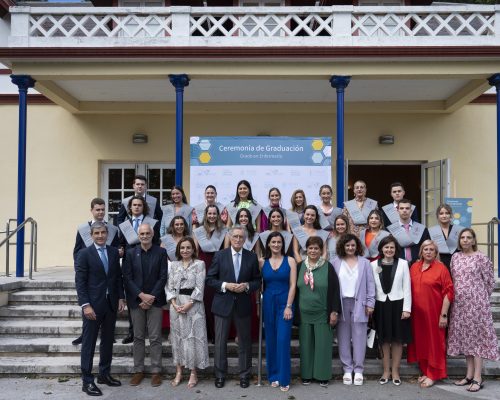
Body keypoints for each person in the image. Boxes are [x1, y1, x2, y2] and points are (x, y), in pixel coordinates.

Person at [205, 225, 261, 389]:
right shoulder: (220, 255)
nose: (238, 240)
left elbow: (257, 281)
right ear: (229, 237)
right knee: (220, 342)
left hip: (243, 304)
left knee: (244, 342)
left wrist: (247, 286)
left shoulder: (251, 257)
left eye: (241, 237)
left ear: (245, 239)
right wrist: (225, 285)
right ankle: (220, 375)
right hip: (223, 304)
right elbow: (210, 279)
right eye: (235, 236)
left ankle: (244, 375)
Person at [75, 222, 126, 396]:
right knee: (88, 343)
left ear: (107, 233)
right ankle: (87, 381)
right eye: (97, 233)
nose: (100, 236)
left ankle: (104, 374)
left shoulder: (113, 252)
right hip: (92, 306)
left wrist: (120, 297)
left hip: (110, 304)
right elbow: (80, 282)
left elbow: (117, 277)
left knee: (107, 341)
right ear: (91, 235)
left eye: (103, 232)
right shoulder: (84, 254)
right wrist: (85, 305)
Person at [447, 228, 499, 392]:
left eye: (469, 237)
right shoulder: (455, 257)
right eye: (463, 237)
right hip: (460, 306)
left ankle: (478, 377)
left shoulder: (481, 258)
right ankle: (468, 375)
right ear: (459, 240)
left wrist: (479, 298)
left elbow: (490, 282)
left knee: (477, 341)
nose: (466, 240)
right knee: (466, 339)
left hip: (477, 306)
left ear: (474, 240)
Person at [122, 223, 168, 387]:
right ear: (138, 235)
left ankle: (156, 371)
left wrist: (151, 297)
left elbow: (163, 276)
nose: (145, 236)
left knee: (155, 337)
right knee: (138, 337)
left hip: (155, 301)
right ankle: (138, 371)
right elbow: (127, 277)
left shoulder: (161, 252)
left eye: (147, 233)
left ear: (152, 234)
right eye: (142, 233)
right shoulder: (130, 253)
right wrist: (141, 296)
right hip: (136, 301)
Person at [72, 197, 120, 346]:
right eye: (97, 209)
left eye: (102, 209)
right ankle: (84, 334)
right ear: (92, 210)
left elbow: (116, 249)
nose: (100, 212)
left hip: (106, 274)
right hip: (89, 272)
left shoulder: (111, 229)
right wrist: (80, 270)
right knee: (88, 308)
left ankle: (108, 335)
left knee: (107, 311)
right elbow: (77, 250)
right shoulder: (83, 229)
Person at [407, 240, 454, 388]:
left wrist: (443, 314)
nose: (428, 252)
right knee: (422, 343)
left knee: (435, 343)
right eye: (425, 249)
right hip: (417, 315)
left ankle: (434, 374)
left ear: (436, 252)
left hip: (434, 313)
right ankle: (426, 371)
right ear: (421, 251)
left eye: (431, 250)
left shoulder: (441, 268)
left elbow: (448, 292)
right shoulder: (414, 267)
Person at [295, 236, 341, 388]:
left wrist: (334, 311)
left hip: (323, 312)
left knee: (323, 345)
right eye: (310, 248)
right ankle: (307, 375)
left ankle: (322, 375)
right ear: (306, 250)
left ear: (321, 250)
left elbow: (335, 291)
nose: (313, 251)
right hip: (304, 313)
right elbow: (294, 289)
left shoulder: (328, 267)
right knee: (306, 345)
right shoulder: (300, 266)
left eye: (316, 248)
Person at [332, 234, 375, 386]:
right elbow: (332, 287)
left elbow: (371, 284)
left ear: (357, 246)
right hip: (342, 304)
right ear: (342, 246)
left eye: (353, 245)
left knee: (359, 337)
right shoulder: (336, 262)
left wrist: (370, 303)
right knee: (343, 337)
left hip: (360, 304)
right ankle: (347, 369)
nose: (350, 248)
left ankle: (358, 370)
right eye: (347, 245)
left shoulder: (365, 263)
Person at [167, 236, 209, 389]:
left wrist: (188, 304)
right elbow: (169, 286)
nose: (185, 250)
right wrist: (174, 303)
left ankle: (193, 372)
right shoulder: (173, 265)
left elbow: (199, 287)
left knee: (192, 339)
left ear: (193, 250)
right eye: (182, 248)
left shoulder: (199, 264)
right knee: (178, 339)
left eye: (188, 248)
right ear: (178, 250)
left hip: (194, 306)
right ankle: (178, 371)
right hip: (176, 305)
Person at [118, 195, 160, 344]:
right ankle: (133, 331)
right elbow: (120, 243)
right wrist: (120, 249)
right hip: (131, 262)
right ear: (130, 208)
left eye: (139, 205)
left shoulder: (151, 223)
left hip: (149, 259)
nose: (136, 207)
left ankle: (149, 330)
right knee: (133, 296)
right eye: (134, 205)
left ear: (144, 207)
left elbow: (156, 240)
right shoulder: (124, 224)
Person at [370, 235, 411, 386]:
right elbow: (371, 288)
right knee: (384, 340)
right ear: (381, 248)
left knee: (397, 340)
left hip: (398, 305)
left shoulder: (403, 264)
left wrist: (407, 308)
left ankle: (395, 371)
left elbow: (407, 287)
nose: (389, 250)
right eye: (386, 247)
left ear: (396, 249)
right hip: (380, 305)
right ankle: (385, 370)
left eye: (392, 247)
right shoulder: (373, 265)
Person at [259, 232, 297, 392]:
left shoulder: (290, 260)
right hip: (268, 302)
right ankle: (273, 375)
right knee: (271, 340)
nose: (276, 244)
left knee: (282, 339)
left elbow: (293, 285)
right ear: (268, 244)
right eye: (273, 242)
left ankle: (284, 377)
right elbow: (260, 286)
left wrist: (289, 305)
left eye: (279, 242)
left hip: (284, 302)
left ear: (283, 244)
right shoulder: (262, 262)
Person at [193, 205, 228, 342]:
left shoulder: (223, 231)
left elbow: (225, 251)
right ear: (206, 215)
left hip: (218, 267)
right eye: (210, 213)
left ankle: (216, 334)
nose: (212, 216)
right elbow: (195, 252)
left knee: (217, 300)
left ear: (218, 215)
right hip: (203, 266)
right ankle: (206, 334)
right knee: (205, 300)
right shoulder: (199, 231)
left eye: (214, 213)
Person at [386, 199, 430, 266]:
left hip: (418, 264)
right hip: (397, 264)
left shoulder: (422, 229)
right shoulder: (390, 230)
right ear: (397, 210)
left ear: (411, 211)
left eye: (407, 208)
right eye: (401, 208)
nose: (404, 210)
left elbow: (427, 247)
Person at [428, 203, 464, 269]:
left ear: (451, 215)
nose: (444, 216)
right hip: (438, 263)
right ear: (437, 216)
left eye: (447, 213)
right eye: (441, 213)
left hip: (457, 264)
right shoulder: (430, 231)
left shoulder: (459, 230)